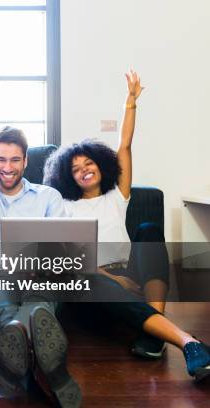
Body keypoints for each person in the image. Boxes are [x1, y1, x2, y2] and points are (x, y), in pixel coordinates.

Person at [43, 70, 210, 383]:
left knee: (148, 229)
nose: (84, 171)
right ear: (68, 177)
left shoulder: (116, 196)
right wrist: (113, 279)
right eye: (76, 169)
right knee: (87, 275)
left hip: (128, 274)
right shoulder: (62, 206)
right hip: (92, 286)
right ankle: (184, 340)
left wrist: (130, 102)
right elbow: (68, 260)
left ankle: (155, 330)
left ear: (101, 165)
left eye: (88, 164)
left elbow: (125, 146)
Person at [0, 68, 81, 407]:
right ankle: (51, 370)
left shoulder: (48, 197)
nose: (6, 167)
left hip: (38, 277)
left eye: (14, 160)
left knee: (40, 301)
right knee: (7, 309)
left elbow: (64, 251)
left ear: (26, 161)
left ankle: (18, 365)